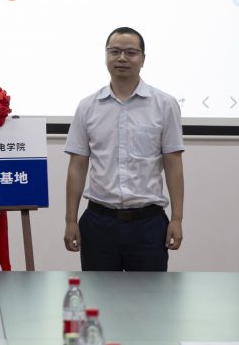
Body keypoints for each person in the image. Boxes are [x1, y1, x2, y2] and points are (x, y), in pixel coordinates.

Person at [63, 26, 184, 271]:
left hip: (148, 224)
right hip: (98, 223)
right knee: (99, 294)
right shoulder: (87, 107)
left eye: (130, 52)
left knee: (149, 294)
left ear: (143, 59)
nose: (122, 58)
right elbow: (77, 166)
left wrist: (177, 219)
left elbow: (173, 165)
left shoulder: (165, 105)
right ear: (105, 56)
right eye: (114, 51)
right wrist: (70, 221)